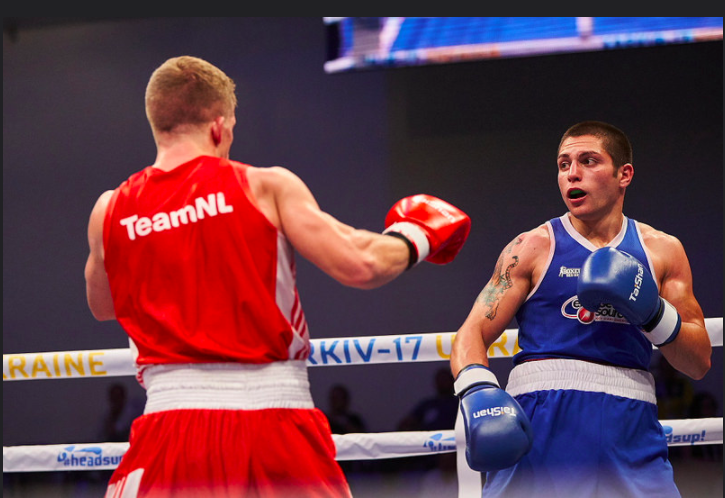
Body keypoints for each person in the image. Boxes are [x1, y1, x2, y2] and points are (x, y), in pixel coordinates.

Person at [84, 55, 471, 498]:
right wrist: (416, 234)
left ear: (157, 122)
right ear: (219, 125)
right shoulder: (264, 186)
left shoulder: (109, 210)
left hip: (165, 432)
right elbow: (361, 264)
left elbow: (103, 306)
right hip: (269, 423)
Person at [450, 120, 711, 497]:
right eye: (563, 164)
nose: (572, 173)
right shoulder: (532, 246)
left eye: (588, 161)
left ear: (624, 174)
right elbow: (471, 332)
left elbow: (698, 361)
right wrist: (478, 391)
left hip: (630, 422)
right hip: (541, 416)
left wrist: (652, 311)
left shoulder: (661, 250)